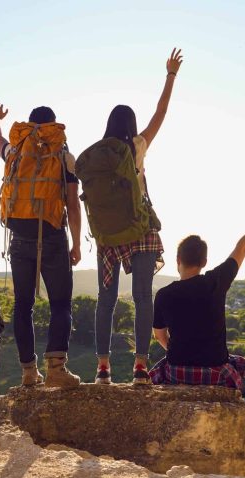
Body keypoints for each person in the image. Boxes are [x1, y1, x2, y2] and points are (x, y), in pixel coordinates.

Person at [93, 48, 183, 385]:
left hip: (106, 233)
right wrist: (170, 75)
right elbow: (161, 113)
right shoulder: (137, 146)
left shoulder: (97, 154)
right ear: (130, 125)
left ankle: (102, 367)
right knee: (143, 297)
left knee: (107, 299)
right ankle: (141, 366)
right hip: (140, 228)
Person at [0, 104, 82, 388]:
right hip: (52, 236)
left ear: (29, 125)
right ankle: (56, 369)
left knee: (23, 305)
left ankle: (29, 372)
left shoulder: (16, 151)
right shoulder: (64, 156)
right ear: (53, 126)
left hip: (19, 237)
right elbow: (72, 203)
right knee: (60, 304)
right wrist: (76, 243)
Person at [149, 206, 245, 388]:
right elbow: (242, 248)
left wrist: (184, 354)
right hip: (216, 374)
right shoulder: (215, 282)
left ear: (178, 259)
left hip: (176, 372)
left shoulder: (163, 295)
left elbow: (159, 335)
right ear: (204, 262)